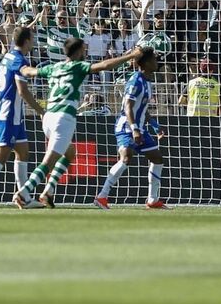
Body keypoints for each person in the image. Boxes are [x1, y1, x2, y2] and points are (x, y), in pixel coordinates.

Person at [14, 38, 140, 209]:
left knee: (70, 153)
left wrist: (17, 65)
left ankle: (48, 192)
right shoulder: (77, 66)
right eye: (84, 49)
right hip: (63, 119)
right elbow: (104, 66)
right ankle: (23, 192)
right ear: (79, 51)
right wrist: (131, 55)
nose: (86, 51)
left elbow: (29, 72)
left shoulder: (55, 67)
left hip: (48, 117)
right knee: (48, 162)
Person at [0, 26, 44, 209]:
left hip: (15, 115)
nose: (35, 41)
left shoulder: (9, 56)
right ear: (27, 41)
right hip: (8, 113)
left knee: (23, 152)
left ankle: (24, 197)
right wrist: (40, 111)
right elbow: (22, 92)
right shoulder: (19, 60)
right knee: (1, 156)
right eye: (33, 38)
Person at [93, 47, 168, 210]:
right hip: (126, 126)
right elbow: (128, 106)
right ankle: (102, 197)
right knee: (126, 157)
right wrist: (134, 129)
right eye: (154, 60)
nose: (157, 62)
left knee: (157, 158)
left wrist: (155, 125)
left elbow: (142, 108)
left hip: (139, 127)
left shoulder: (148, 82)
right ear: (146, 63)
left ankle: (152, 200)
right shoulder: (136, 81)